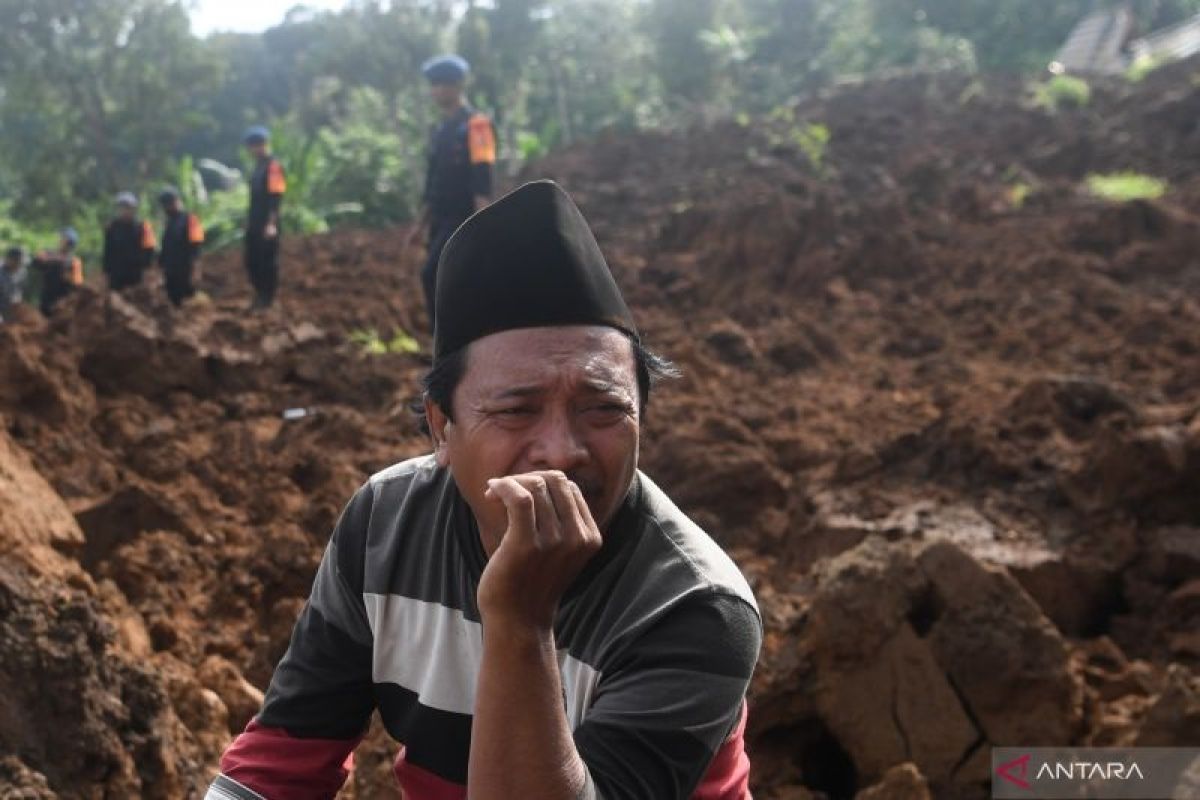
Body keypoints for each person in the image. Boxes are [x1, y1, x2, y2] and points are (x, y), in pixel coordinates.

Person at [205, 181, 761, 800]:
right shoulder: (387, 525)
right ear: (443, 427)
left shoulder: (691, 603)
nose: (562, 450)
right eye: (518, 410)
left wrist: (521, 620)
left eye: (604, 409)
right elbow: (282, 759)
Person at [407, 54, 496, 330]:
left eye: (441, 84)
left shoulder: (476, 125)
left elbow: (482, 177)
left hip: (464, 217)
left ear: (457, 86)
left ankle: (451, 346)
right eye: (433, 85)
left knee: (433, 275)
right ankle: (449, 347)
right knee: (441, 279)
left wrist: (484, 223)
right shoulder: (440, 130)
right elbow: (433, 183)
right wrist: (420, 224)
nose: (436, 91)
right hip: (440, 219)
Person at [243, 125, 286, 310]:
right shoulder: (257, 168)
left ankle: (268, 298)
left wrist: (271, 224)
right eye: (252, 145)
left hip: (268, 222)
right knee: (251, 260)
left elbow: (276, 198)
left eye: (258, 144)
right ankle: (259, 293)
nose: (255, 149)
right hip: (255, 221)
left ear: (265, 144)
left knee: (267, 261)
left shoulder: (273, 167)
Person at [158, 188, 205, 307]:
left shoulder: (190, 220)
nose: (168, 207)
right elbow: (165, 249)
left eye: (170, 202)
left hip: (186, 269)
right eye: (165, 204)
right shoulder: (169, 223)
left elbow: (196, 247)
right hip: (171, 272)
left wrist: (196, 270)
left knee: (190, 302)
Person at [101, 191, 156, 291]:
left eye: (127, 207)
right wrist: (106, 272)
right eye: (122, 208)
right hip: (116, 275)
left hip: (136, 274)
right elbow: (107, 251)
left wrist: (147, 271)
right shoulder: (112, 227)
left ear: (133, 209)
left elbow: (149, 250)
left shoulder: (143, 227)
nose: (124, 211)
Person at [31, 228, 83, 316]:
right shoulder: (49, 253)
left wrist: (69, 278)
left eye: (63, 238)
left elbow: (77, 283)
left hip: (62, 303)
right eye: (62, 238)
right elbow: (35, 263)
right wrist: (49, 260)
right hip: (46, 300)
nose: (61, 240)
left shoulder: (74, 261)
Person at [0, 246, 27, 322]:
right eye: (18, 262)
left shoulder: (22, 272)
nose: (20, 265)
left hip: (13, 309)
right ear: (9, 259)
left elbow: (20, 289)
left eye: (21, 262)